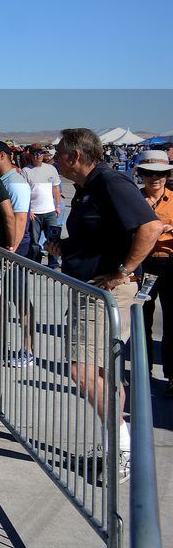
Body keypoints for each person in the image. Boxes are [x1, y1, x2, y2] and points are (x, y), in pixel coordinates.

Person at [47, 129, 161, 482]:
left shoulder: (111, 182)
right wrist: (66, 249)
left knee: (83, 371)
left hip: (107, 291)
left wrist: (123, 271)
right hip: (90, 287)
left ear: (75, 157)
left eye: (58, 154)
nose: (53, 159)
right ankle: (116, 444)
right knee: (101, 372)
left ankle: (120, 447)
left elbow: (151, 227)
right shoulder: (88, 188)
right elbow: (99, 235)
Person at [0, 142, 36, 367]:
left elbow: (20, 219)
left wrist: (12, 251)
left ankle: (28, 349)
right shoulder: (2, 180)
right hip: (4, 249)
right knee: (0, 298)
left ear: (2, 155)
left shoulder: (16, 183)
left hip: (14, 249)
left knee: (20, 299)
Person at [134, 149, 173, 395]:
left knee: (171, 322)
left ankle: (171, 377)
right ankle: (142, 373)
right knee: (141, 320)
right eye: (148, 173)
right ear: (141, 175)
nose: (154, 179)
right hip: (144, 265)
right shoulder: (134, 200)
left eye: (160, 174)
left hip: (170, 263)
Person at [24, 144, 63, 268]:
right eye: (35, 153)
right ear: (31, 155)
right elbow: (24, 192)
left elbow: (56, 188)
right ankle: (36, 264)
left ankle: (53, 263)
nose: (38, 156)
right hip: (35, 213)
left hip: (50, 211)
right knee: (35, 241)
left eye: (40, 153)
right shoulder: (26, 171)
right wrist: (29, 210)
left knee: (53, 239)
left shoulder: (51, 169)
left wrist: (57, 206)